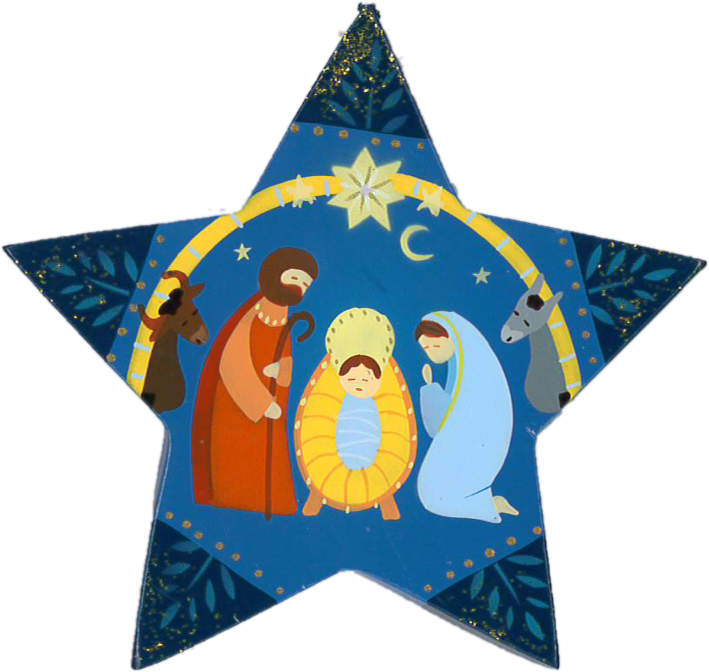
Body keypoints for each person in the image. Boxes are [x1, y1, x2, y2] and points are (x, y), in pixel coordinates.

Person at [192, 248, 318, 515]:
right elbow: (232, 362)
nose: (299, 287)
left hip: (273, 407)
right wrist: (261, 403)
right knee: (239, 458)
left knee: (268, 458)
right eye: (295, 278)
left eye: (305, 284)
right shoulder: (252, 313)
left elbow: (286, 357)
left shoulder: (284, 316)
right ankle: (236, 504)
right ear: (277, 274)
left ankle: (270, 504)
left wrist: (281, 370)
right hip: (238, 407)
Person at [415, 313, 519, 522]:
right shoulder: (459, 373)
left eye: (436, 346)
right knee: (430, 492)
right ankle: (491, 505)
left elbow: (441, 424)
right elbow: (438, 425)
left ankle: (490, 506)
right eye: (426, 349)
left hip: (473, 448)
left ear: (453, 338)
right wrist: (430, 387)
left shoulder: (477, 378)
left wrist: (431, 388)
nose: (432, 354)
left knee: (434, 494)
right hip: (462, 447)